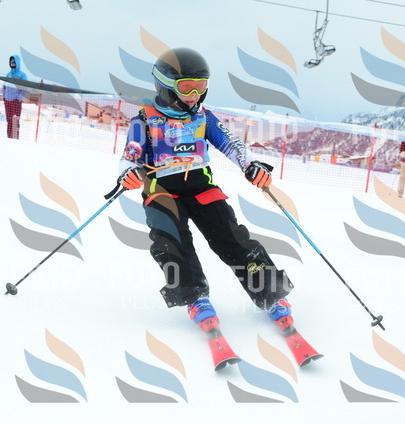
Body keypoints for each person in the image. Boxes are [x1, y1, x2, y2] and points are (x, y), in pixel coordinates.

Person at [115, 48, 295, 338]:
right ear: (165, 86)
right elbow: (129, 156)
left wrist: (251, 165)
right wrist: (128, 173)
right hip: (161, 192)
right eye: (186, 87)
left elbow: (232, 144)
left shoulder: (203, 117)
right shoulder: (144, 120)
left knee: (233, 239)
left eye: (200, 87)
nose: (194, 95)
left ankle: (271, 294)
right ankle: (195, 298)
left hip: (201, 188)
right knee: (172, 244)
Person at [2, 55, 28, 139]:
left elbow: (26, 88)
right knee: (9, 121)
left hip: (16, 102)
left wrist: (19, 98)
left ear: (17, 63)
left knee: (15, 121)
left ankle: (15, 139)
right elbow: (4, 87)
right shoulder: (8, 74)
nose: (12, 63)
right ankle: (9, 138)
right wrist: (4, 97)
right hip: (7, 101)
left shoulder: (22, 75)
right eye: (11, 62)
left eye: (14, 62)